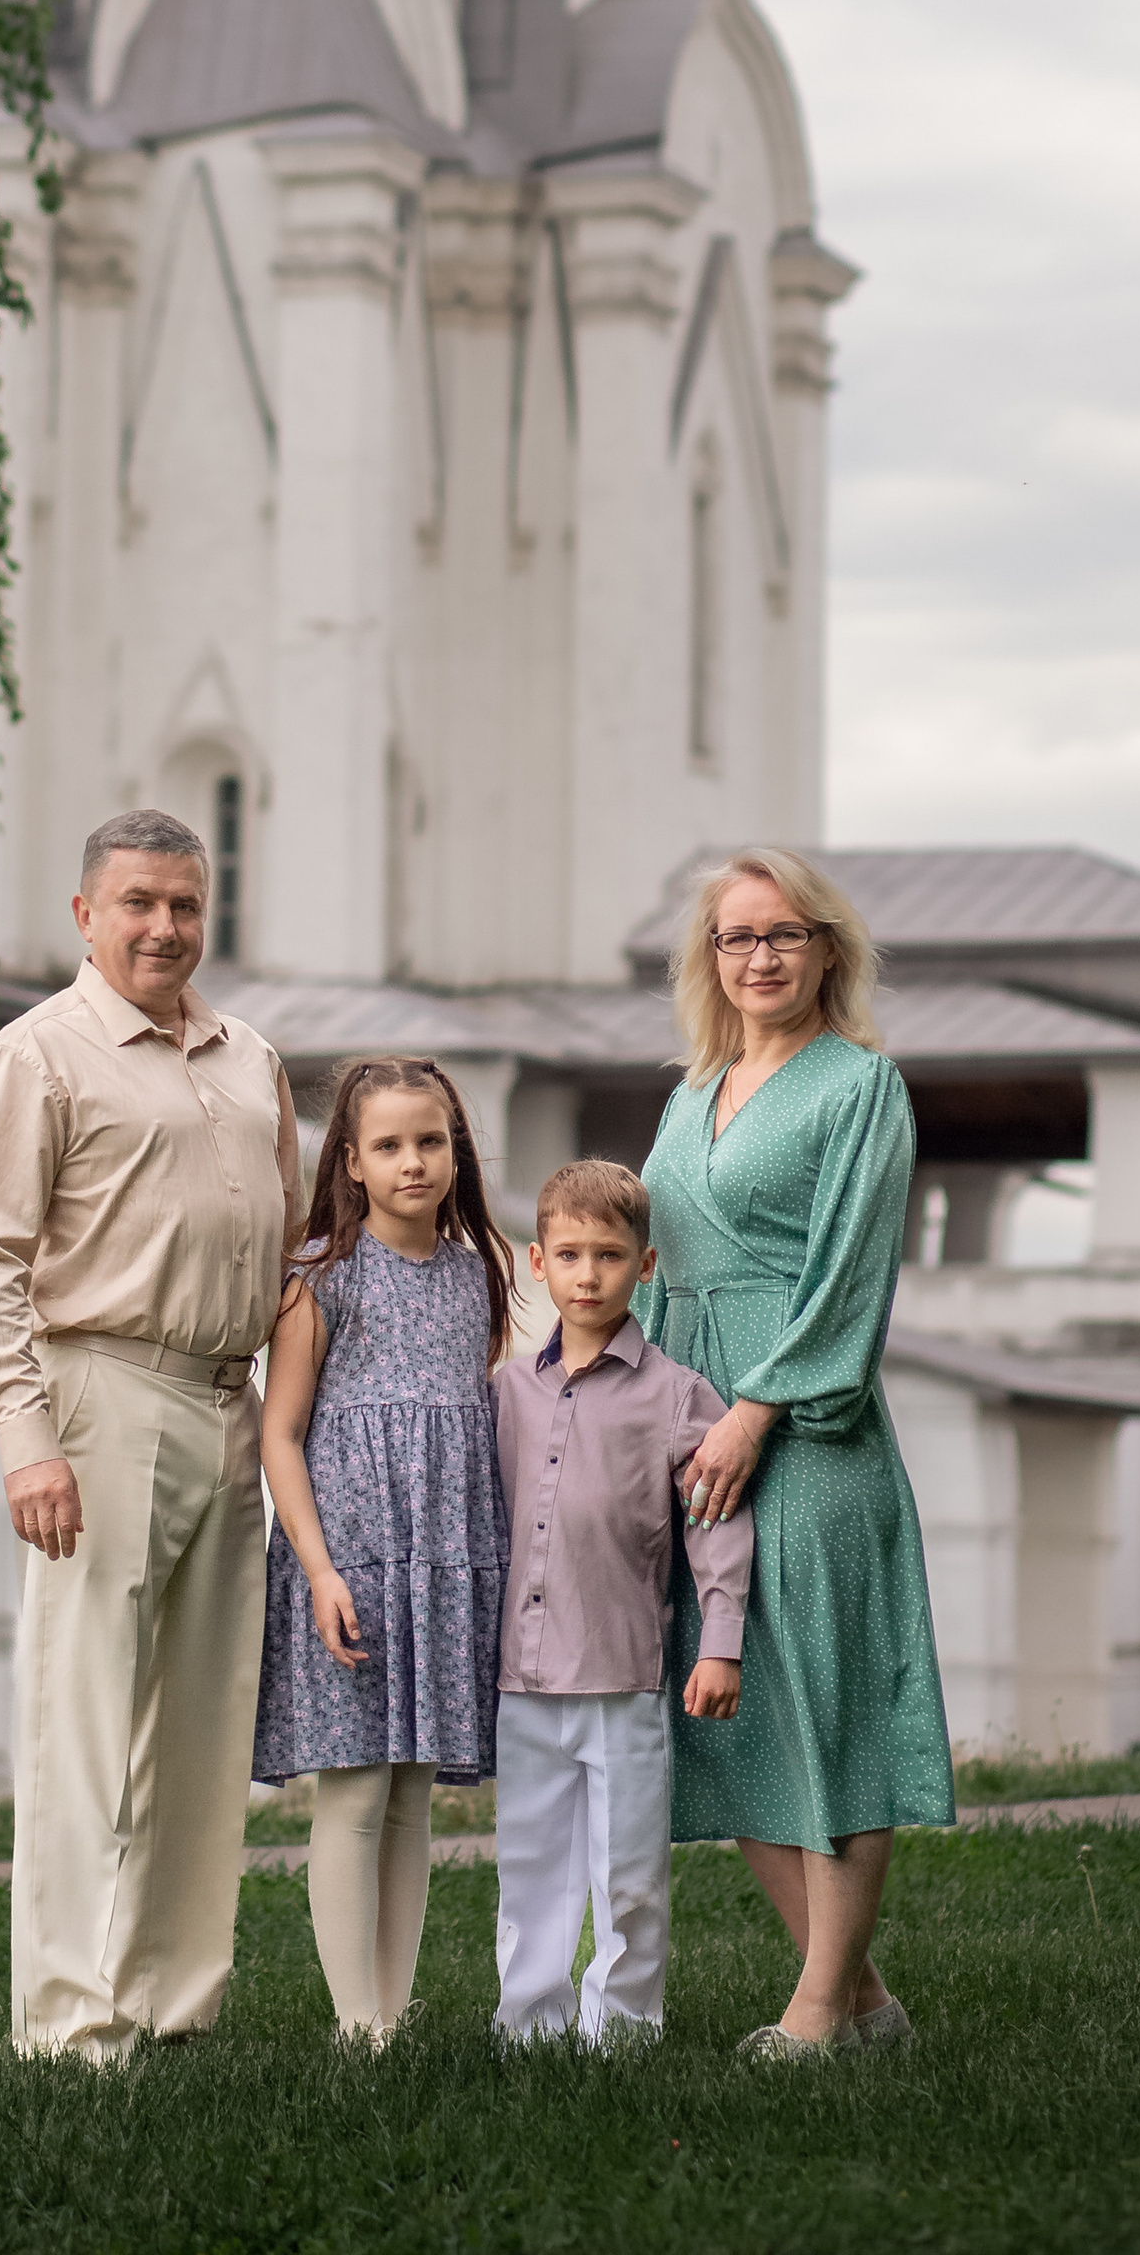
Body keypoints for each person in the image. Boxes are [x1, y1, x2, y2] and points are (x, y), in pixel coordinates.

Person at [0, 809, 304, 2061]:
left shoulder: (250, 1056)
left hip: (229, 1403)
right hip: (100, 1395)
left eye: (184, 905)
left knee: (205, 1727)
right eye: (139, 903)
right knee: (85, 1720)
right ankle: (69, 2025)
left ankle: (171, 2005)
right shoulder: (37, 1055)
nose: (164, 927)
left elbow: (292, 1247)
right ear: (85, 915)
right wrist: (26, 1438)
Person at [637, 844, 955, 2061]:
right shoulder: (690, 1093)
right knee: (725, 1716)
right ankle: (865, 2003)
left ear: (827, 950)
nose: (760, 957)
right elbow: (653, 1267)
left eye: (784, 934)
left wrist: (755, 1411)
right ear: (709, 957)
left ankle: (817, 2016)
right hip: (690, 1429)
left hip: (808, 1432)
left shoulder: (860, 1087)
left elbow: (850, 1276)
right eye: (738, 936)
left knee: (828, 1712)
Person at [252, 1056, 514, 2043]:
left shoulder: (474, 1275)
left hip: (443, 1562)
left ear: (456, 1152)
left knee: (412, 1796)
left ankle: (391, 2017)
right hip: (351, 1566)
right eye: (390, 1145)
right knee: (357, 1789)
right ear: (351, 1162)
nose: (414, 1162)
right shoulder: (322, 1275)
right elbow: (281, 1434)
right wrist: (319, 1572)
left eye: (431, 1141)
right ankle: (354, 2022)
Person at [489, 1158, 753, 2045]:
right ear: (537, 1263)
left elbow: (717, 1522)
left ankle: (624, 2034)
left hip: (623, 1675)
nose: (588, 1275)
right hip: (523, 1681)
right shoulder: (507, 1392)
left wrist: (720, 1643)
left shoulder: (677, 1395)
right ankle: (528, 2026)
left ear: (644, 1265)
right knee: (530, 1868)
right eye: (569, 1255)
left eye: (609, 1256)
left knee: (628, 1873)